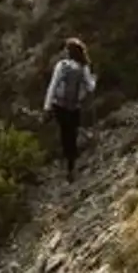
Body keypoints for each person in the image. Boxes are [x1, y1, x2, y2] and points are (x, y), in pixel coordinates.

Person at [43, 37, 97, 180]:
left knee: (64, 132)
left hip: (59, 104)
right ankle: (71, 165)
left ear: (69, 52)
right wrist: (94, 80)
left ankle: (66, 161)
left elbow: (53, 86)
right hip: (74, 106)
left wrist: (47, 107)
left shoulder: (62, 66)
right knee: (72, 134)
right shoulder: (83, 67)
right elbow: (90, 87)